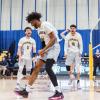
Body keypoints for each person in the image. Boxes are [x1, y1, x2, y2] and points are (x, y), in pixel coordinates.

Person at [17, 12, 64, 100]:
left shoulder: (45, 25)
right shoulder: (39, 30)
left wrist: (43, 49)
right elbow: (43, 42)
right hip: (48, 48)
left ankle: (59, 93)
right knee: (36, 67)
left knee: (48, 68)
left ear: (35, 20)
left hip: (54, 47)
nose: (31, 24)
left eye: (31, 22)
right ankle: (26, 91)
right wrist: (43, 51)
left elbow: (53, 39)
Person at [15, 27, 36, 91]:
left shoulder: (33, 40)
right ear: (25, 32)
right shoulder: (22, 39)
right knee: (20, 70)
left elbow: (34, 50)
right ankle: (17, 84)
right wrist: (20, 56)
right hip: (22, 57)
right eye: (27, 30)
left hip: (29, 58)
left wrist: (34, 57)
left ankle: (28, 85)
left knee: (28, 72)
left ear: (31, 32)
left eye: (30, 30)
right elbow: (19, 49)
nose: (29, 31)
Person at [64, 24, 83, 89]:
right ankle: (71, 76)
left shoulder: (78, 35)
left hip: (77, 52)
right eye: (71, 28)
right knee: (67, 65)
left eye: (73, 28)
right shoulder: (67, 36)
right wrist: (65, 53)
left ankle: (78, 82)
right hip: (70, 52)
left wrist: (80, 52)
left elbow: (81, 44)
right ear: (70, 29)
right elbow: (65, 45)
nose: (72, 29)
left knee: (78, 67)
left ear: (75, 29)